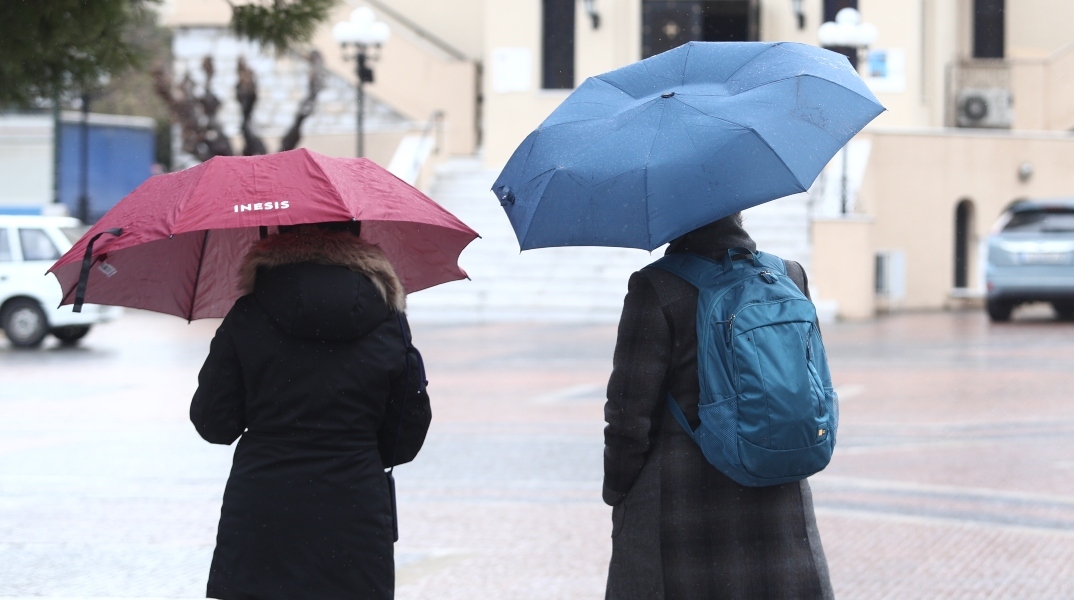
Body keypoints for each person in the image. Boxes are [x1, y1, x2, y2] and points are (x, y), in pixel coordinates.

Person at [190, 221, 431, 600]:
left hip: (264, 508)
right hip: (355, 509)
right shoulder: (388, 320)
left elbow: (214, 424)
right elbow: (405, 434)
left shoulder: (249, 314)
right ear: (354, 233)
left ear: (279, 236)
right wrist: (355, 449)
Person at [603, 213, 834, 600]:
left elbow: (628, 415)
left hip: (684, 500)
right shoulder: (788, 276)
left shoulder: (657, 287)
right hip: (778, 490)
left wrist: (619, 491)